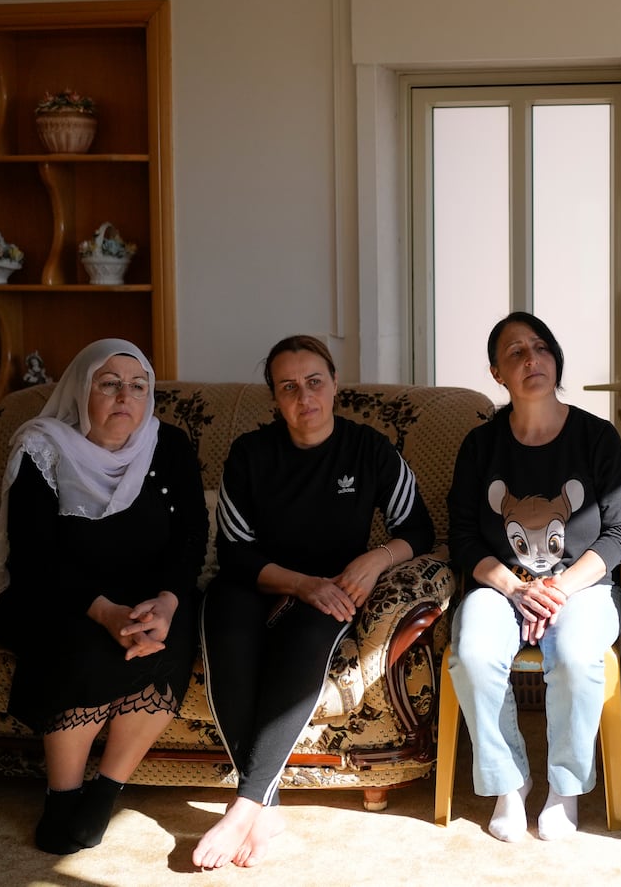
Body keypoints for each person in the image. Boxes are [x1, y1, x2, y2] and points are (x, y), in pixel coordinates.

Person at [192, 335, 432, 869]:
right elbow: (236, 553)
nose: (305, 397)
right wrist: (300, 584)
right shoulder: (250, 454)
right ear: (275, 398)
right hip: (260, 582)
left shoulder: (369, 449)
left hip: (333, 588)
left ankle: (245, 804)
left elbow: (417, 527)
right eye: (289, 387)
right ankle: (265, 805)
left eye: (315, 382)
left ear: (335, 384)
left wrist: (375, 559)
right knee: (227, 628)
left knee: (306, 636)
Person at [0, 338, 206, 854]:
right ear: (82, 391)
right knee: (85, 648)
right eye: (109, 384)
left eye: (137, 386)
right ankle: (61, 796)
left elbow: (192, 533)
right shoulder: (41, 447)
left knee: (167, 642)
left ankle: (105, 791)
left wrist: (169, 601)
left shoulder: (168, 444)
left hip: (150, 594)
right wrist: (104, 611)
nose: (124, 397)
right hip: (56, 594)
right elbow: (35, 556)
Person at [446, 311, 621, 842]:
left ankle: (564, 789)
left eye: (542, 348)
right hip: (500, 585)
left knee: (576, 657)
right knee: (475, 653)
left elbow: (620, 532)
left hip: (583, 586)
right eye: (516, 353)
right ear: (496, 373)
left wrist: (557, 588)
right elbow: (463, 537)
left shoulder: (597, 438)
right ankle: (510, 785)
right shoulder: (480, 447)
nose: (533, 360)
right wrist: (515, 586)